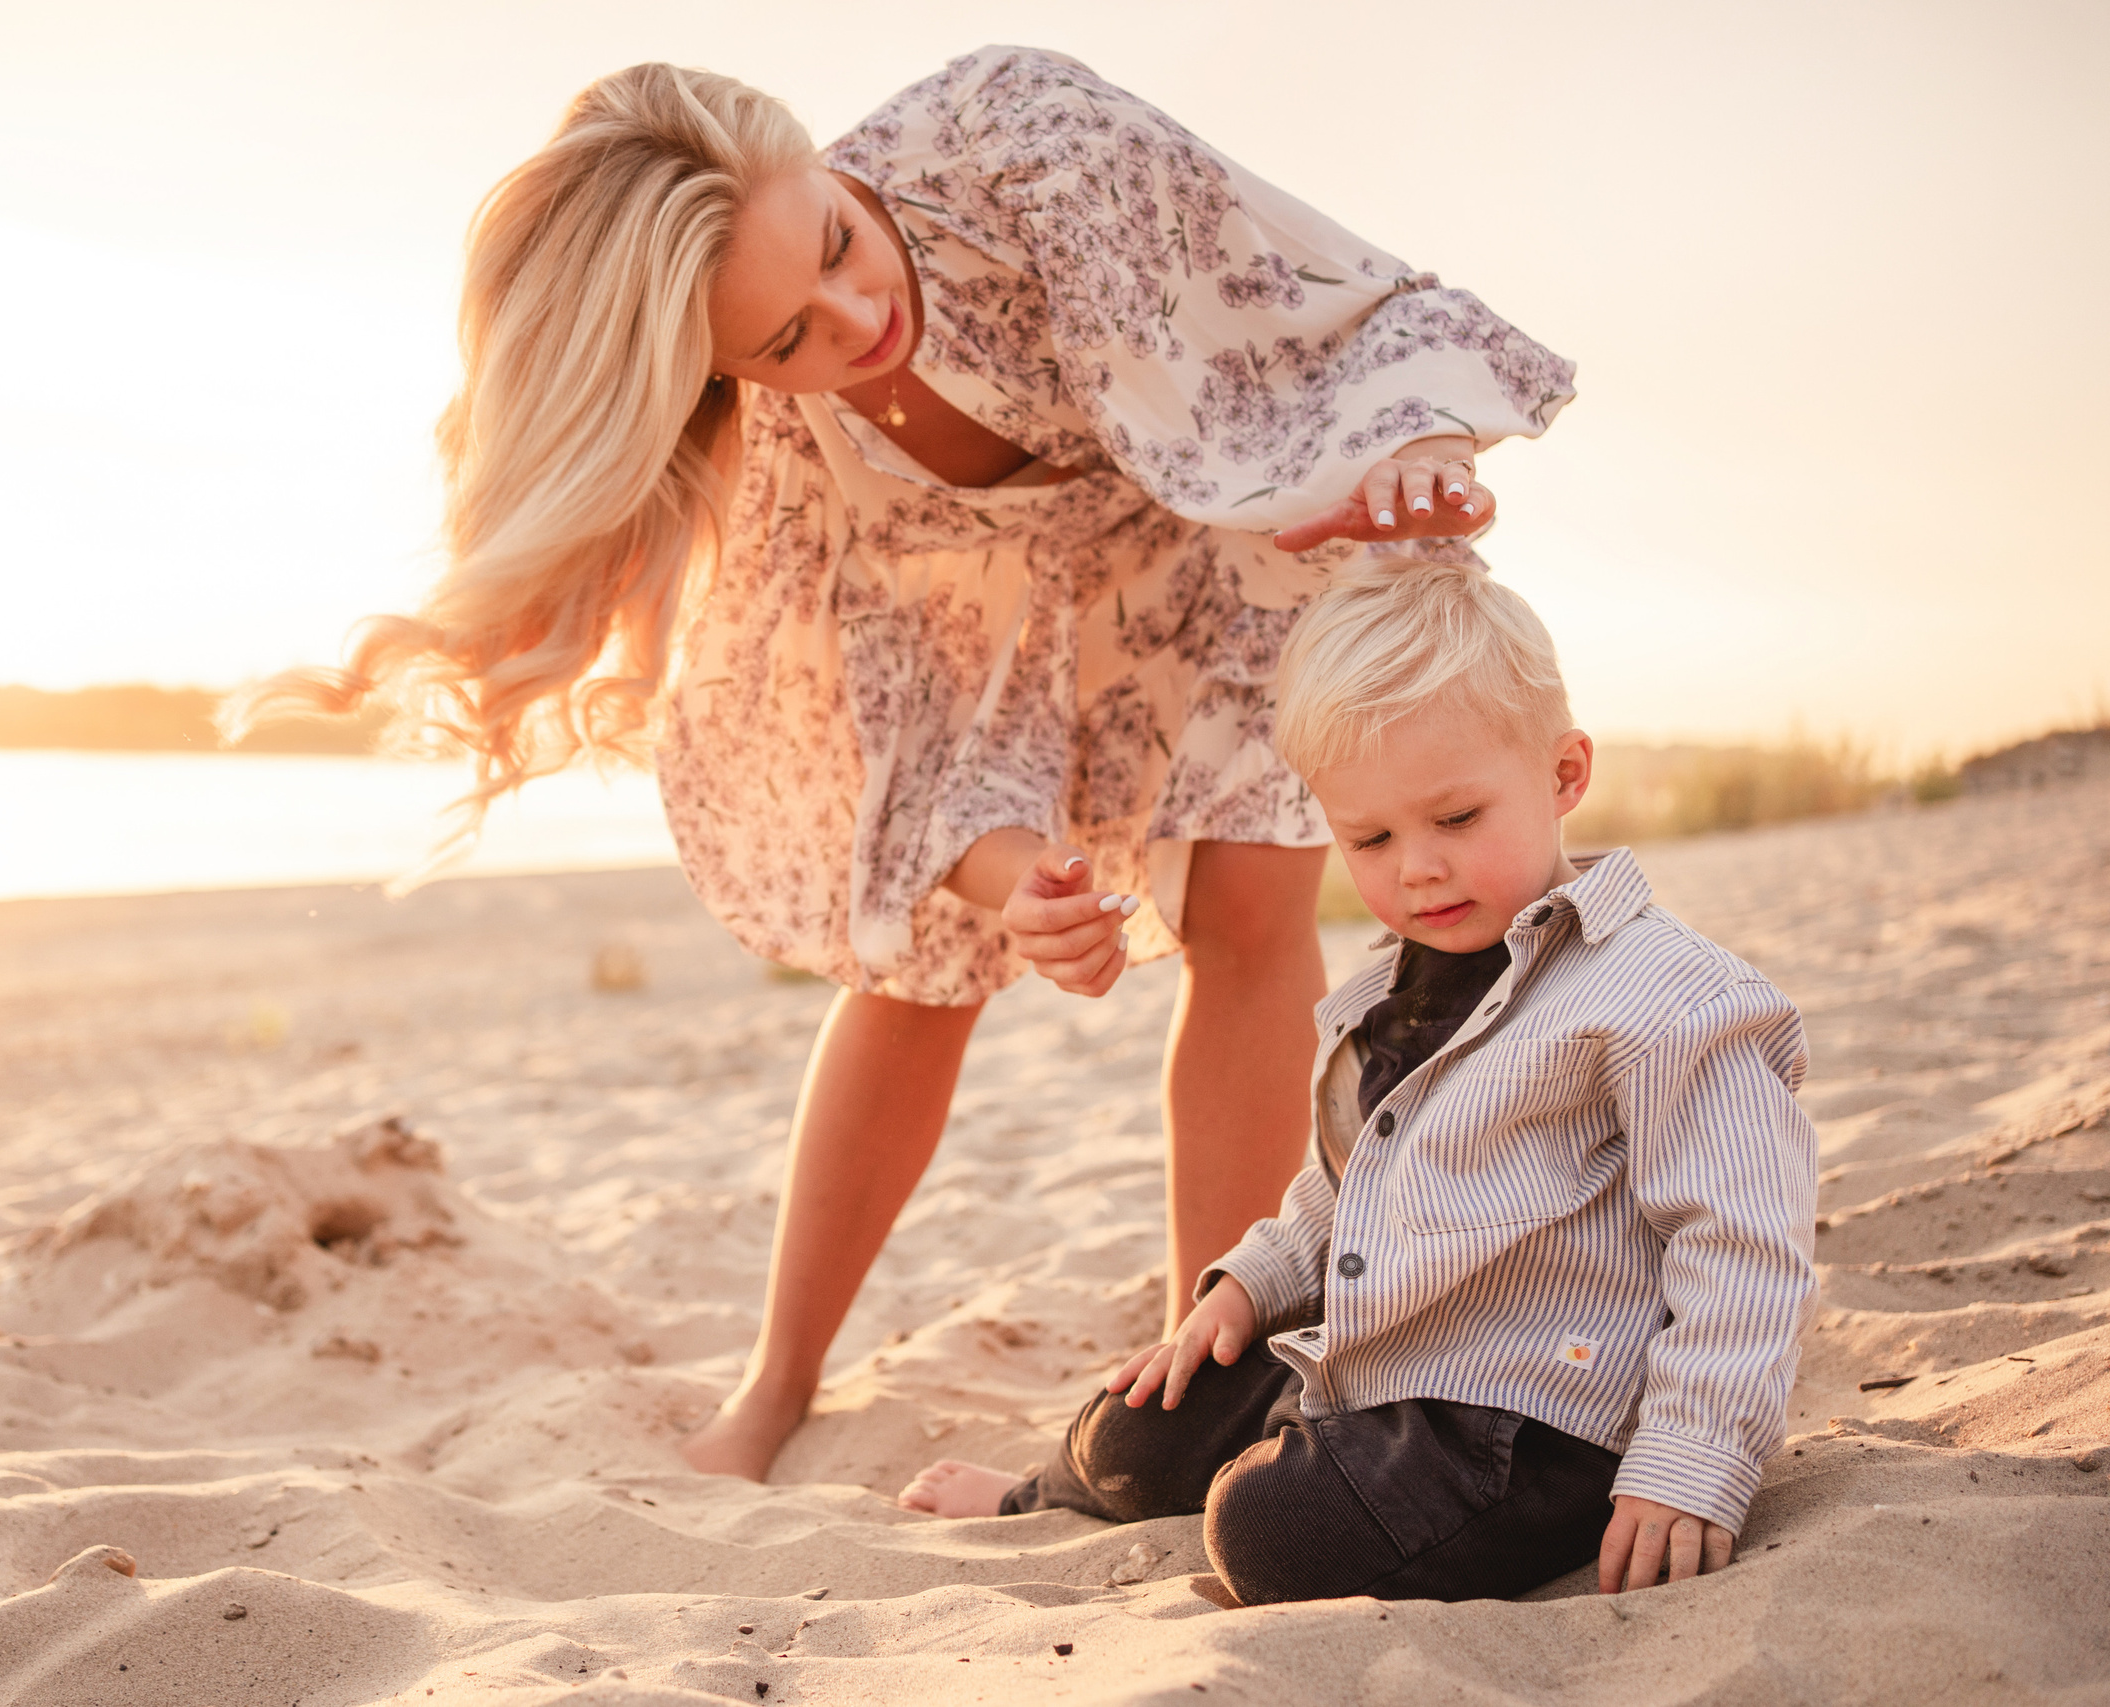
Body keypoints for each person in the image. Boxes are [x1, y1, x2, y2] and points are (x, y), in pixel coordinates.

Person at [231, 45, 1576, 1480]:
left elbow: (1309, 303)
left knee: (1251, 920)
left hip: (1241, 520)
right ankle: (776, 1385)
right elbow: (921, 734)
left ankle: (1210, 1386)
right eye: (784, 341)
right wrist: (1019, 885)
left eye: (837, 245)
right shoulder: (802, 459)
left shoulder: (1024, 134)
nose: (856, 321)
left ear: (819, 159)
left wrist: (1406, 451)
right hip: (1021, 625)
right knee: (914, 971)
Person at [899, 557, 1819, 1604]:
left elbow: (1744, 1241)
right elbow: (1349, 1186)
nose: (1415, 868)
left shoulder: (1669, 997)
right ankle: (1037, 1498)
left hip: (1538, 1423)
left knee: (1268, 1529)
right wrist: (1248, 1282)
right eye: (1369, 838)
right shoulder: (1395, 987)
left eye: (1456, 820)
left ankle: (1303, 1465)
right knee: (1136, 1421)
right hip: (1382, 1365)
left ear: (1563, 776)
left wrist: (1693, 1459)